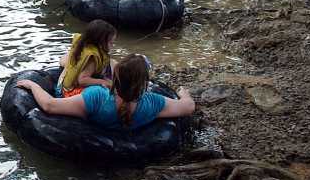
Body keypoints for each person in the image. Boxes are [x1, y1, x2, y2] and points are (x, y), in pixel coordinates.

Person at [16, 54, 195, 130]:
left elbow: (49, 106)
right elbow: (187, 107)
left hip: (95, 124)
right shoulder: (153, 103)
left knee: (70, 67)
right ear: (144, 83)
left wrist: (34, 86)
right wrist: (184, 93)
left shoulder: (97, 96)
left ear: (115, 78)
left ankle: (67, 60)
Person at [56, 20, 117, 97]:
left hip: (63, 84)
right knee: (104, 93)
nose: (113, 45)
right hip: (68, 92)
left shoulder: (84, 44)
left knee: (112, 63)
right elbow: (82, 80)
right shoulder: (92, 58)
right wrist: (104, 82)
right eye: (111, 43)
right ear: (100, 42)